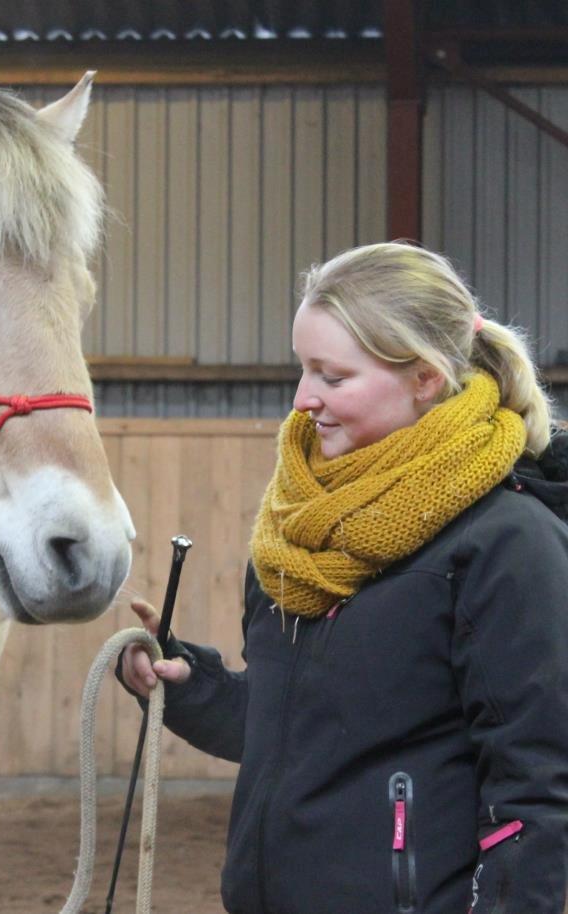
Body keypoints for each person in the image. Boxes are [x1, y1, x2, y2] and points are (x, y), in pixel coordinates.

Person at [119, 242, 568, 914]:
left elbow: (537, 784)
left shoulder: (509, 544)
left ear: (424, 377)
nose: (304, 400)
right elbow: (298, 728)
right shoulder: (294, 531)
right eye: (304, 370)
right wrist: (191, 687)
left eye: (333, 376)